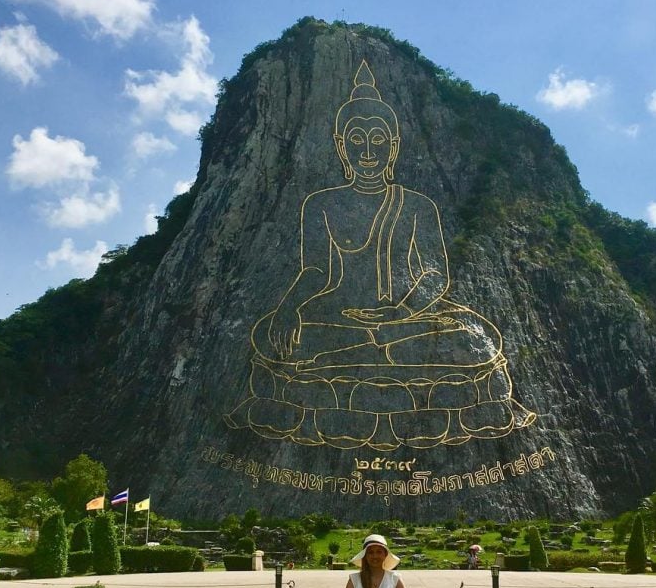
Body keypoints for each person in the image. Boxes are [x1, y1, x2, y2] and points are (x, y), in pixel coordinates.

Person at [227, 60, 535, 450]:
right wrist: (289, 307)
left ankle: (371, 355)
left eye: (377, 139)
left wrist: (400, 313)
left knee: (473, 335)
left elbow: (436, 275)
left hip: (406, 322)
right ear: (341, 145)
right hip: (340, 320)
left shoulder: (417, 205)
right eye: (356, 139)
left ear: (393, 147)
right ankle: (376, 357)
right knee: (274, 331)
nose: (367, 151)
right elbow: (317, 270)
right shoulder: (321, 203)